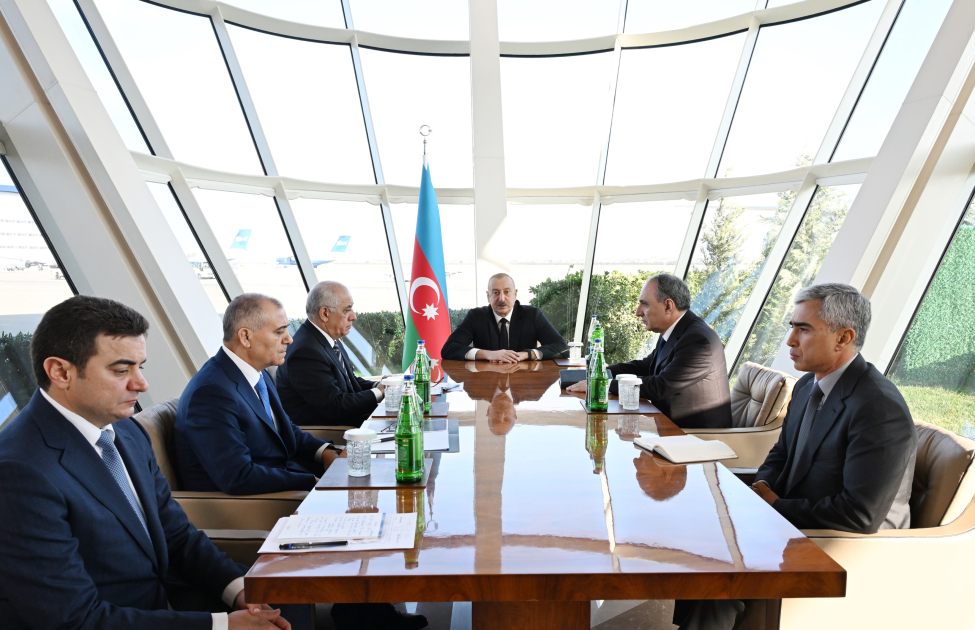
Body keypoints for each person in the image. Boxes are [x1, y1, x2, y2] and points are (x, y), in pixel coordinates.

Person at [0, 295, 290, 629]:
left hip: (167, 604)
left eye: (141, 367)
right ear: (60, 371)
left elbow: (177, 534)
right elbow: (75, 619)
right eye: (122, 370)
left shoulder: (126, 432)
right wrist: (221, 625)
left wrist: (239, 590)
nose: (141, 383)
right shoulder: (19, 471)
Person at [674, 283, 917, 629]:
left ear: (843, 338)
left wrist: (774, 506)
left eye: (803, 329)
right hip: (798, 520)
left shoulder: (878, 407)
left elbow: (860, 514)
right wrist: (761, 485)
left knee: (722, 560)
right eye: (792, 327)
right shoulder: (806, 386)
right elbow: (781, 452)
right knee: (704, 525)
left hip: (844, 544)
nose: (790, 340)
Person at [174, 293, 337, 494]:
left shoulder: (258, 374)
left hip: (288, 479)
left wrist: (325, 452)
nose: (289, 339)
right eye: (279, 332)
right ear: (245, 337)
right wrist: (314, 482)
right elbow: (238, 476)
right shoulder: (210, 394)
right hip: (261, 503)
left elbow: (285, 430)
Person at [567, 273, 732, 429]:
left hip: (697, 437)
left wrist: (602, 385)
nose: (638, 312)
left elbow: (661, 387)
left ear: (668, 305)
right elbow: (645, 366)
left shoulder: (699, 341)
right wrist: (600, 373)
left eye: (644, 304)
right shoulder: (677, 330)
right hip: (669, 428)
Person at [276, 281, 383, 427]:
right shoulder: (305, 352)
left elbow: (350, 382)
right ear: (325, 313)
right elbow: (335, 406)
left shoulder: (328, 339)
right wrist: (379, 392)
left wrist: (381, 385)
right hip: (332, 431)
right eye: (347, 310)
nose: (354, 316)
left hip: (350, 421)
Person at [441, 273, 567, 362]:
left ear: (515, 294)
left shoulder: (532, 315)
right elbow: (449, 349)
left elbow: (562, 347)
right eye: (496, 293)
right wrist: (488, 354)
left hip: (523, 381)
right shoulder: (476, 316)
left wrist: (528, 354)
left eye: (507, 292)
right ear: (488, 296)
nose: (501, 298)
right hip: (486, 381)